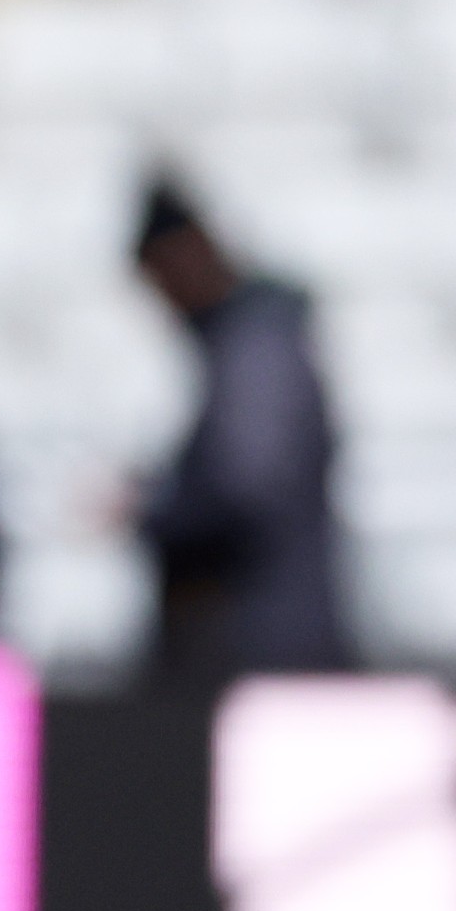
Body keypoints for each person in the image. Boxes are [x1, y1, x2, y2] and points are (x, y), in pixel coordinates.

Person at [131, 175, 350, 676]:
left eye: (161, 279)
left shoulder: (258, 348)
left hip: (265, 647)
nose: (163, 301)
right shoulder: (248, 343)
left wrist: (156, 509)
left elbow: (248, 484)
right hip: (257, 641)